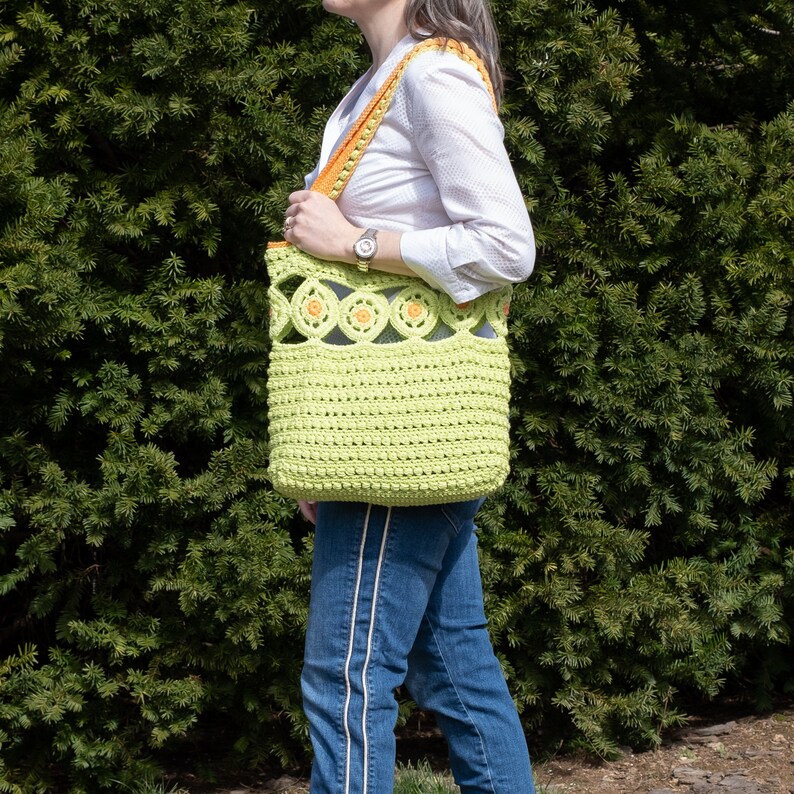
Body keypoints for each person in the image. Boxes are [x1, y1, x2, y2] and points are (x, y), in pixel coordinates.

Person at [280, 1, 536, 792]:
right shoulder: (380, 83)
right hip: (382, 424)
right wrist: (329, 455)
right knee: (457, 673)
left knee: (346, 681)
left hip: (405, 422)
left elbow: (505, 246)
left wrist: (351, 241)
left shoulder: (432, 74)